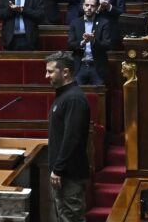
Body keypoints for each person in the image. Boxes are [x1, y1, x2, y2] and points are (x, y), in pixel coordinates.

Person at [44, 52, 90, 222]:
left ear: (65, 72)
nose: (46, 75)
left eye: (50, 71)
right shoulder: (64, 96)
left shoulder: (73, 99)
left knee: (71, 218)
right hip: (64, 175)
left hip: (69, 176)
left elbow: (72, 138)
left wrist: (58, 169)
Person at [68, 0, 112, 86]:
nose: (89, 8)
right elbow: (70, 44)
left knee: (99, 96)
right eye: (87, 5)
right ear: (83, 6)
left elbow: (107, 45)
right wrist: (82, 42)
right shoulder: (75, 23)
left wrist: (93, 40)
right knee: (77, 96)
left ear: (96, 8)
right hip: (80, 66)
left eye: (92, 6)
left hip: (97, 67)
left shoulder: (104, 22)